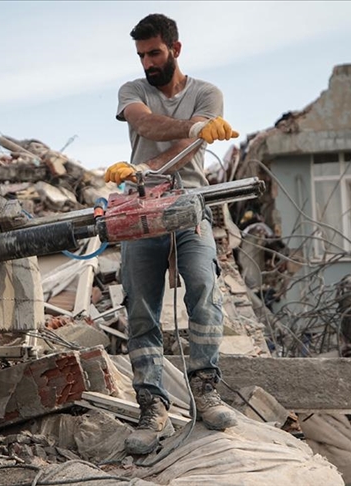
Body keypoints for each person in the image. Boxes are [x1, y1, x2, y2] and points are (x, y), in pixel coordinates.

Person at [104, 13, 240, 455]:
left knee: (203, 285)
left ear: (175, 49)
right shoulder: (133, 90)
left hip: (188, 202)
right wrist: (193, 129)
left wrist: (193, 135)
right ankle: (151, 405)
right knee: (141, 307)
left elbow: (185, 149)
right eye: (141, 55)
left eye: (155, 53)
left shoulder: (206, 93)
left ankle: (205, 388)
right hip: (140, 206)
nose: (147, 63)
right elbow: (145, 124)